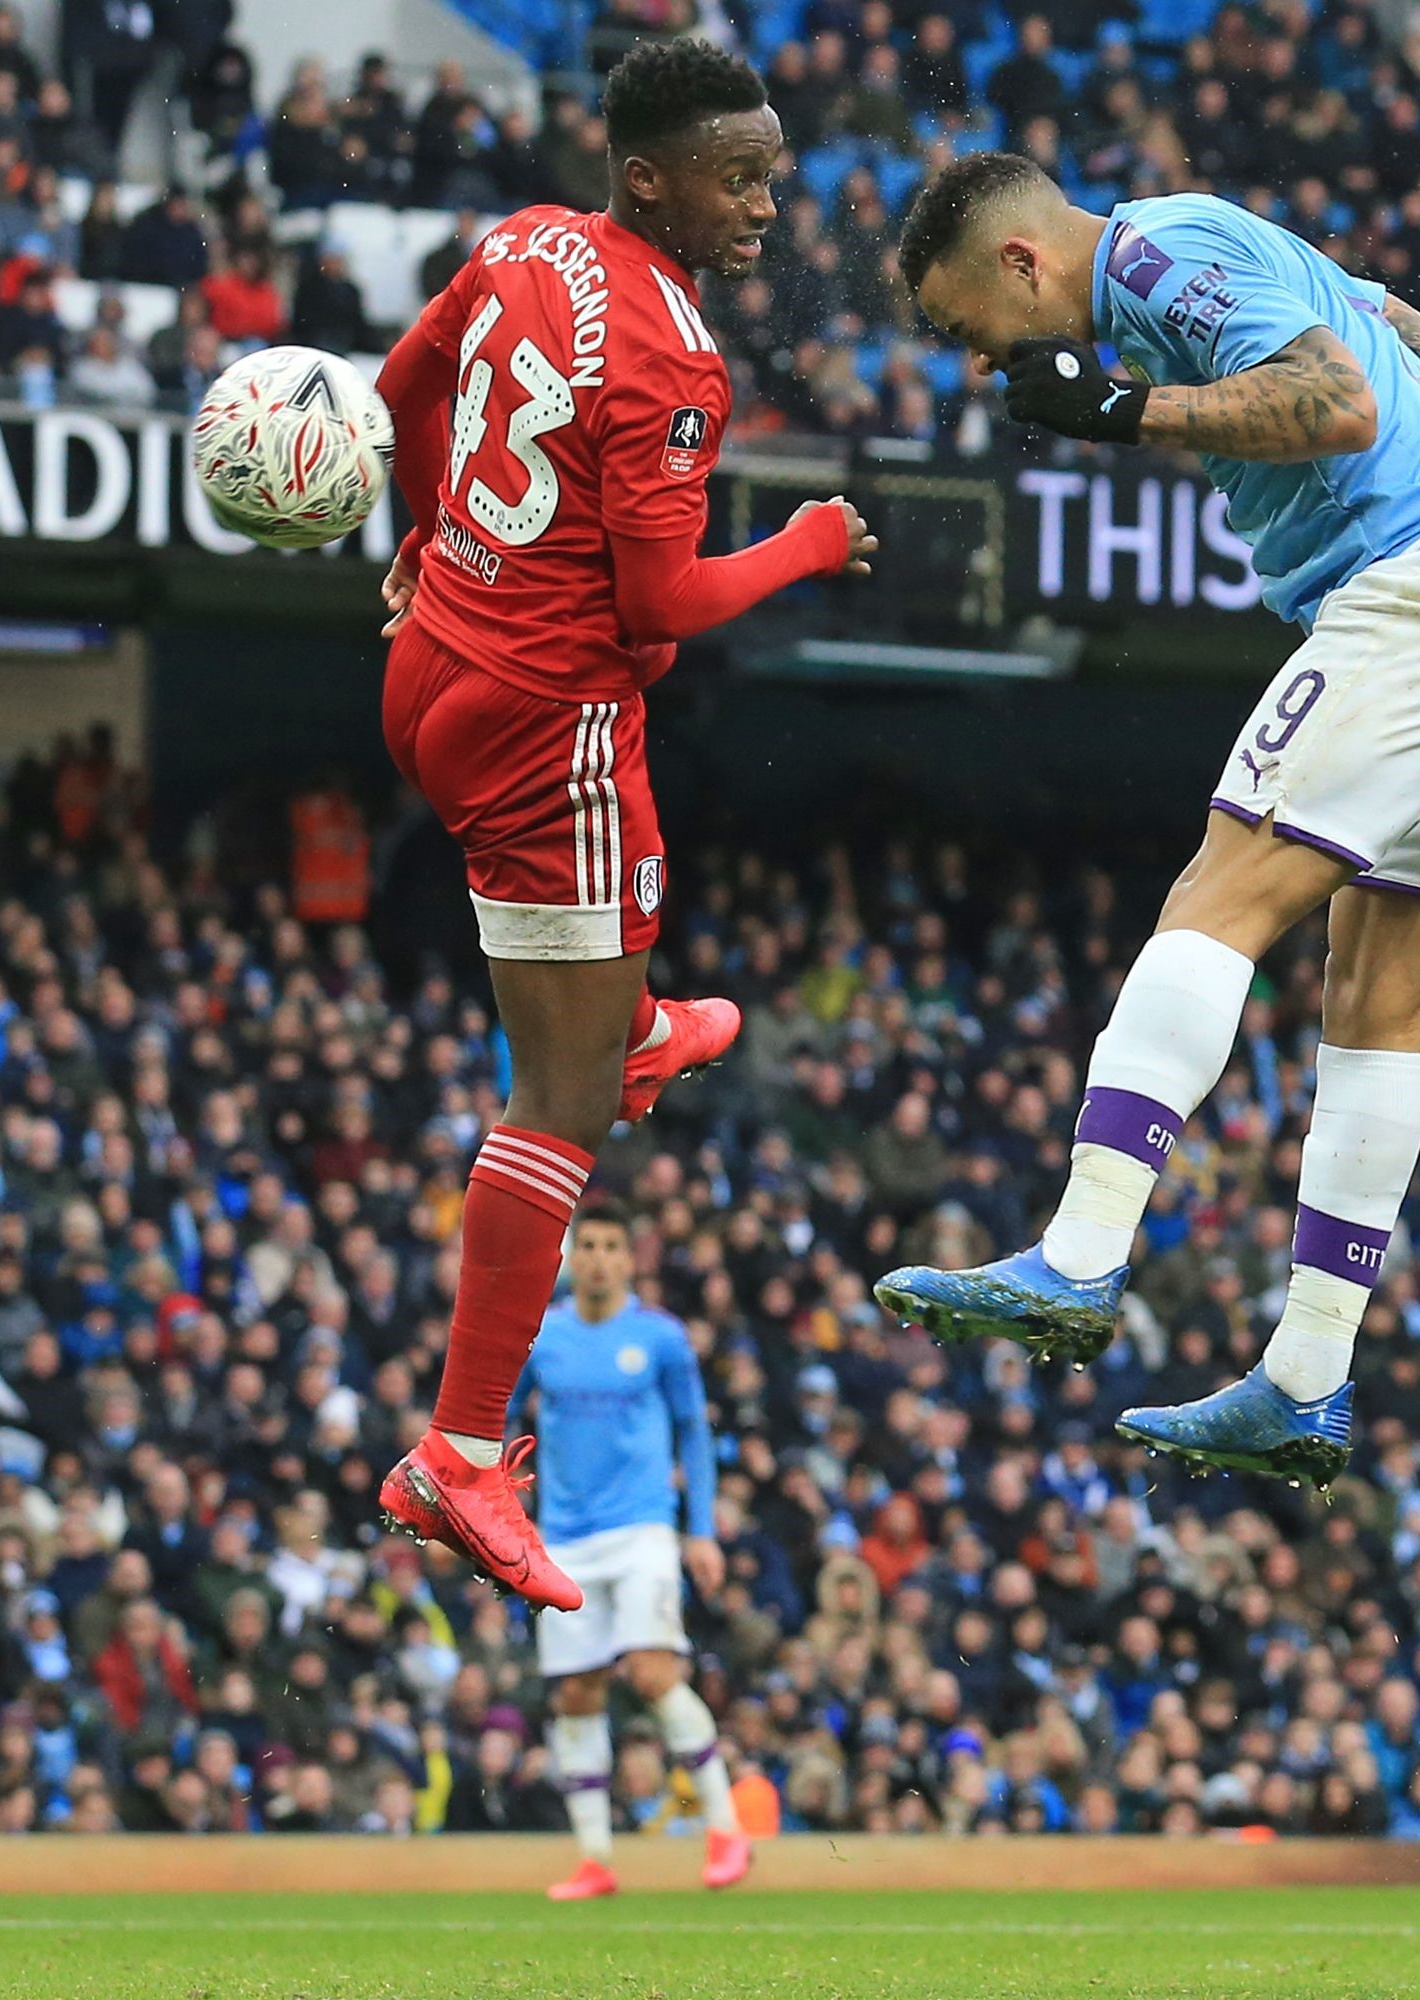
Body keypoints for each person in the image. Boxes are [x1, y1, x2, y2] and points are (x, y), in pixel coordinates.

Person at [876, 151, 1420, 1482]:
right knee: (1377, 994)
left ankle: (1084, 1250)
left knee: (1217, 900)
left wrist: (1122, 406)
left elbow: (1333, 403)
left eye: (965, 331)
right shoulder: (1231, 250)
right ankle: (1307, 1379)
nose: (980, 367)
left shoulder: (1150, 257)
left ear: (1022, 264)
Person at [367, 35, 872, 1608]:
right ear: (650, 175)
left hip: (438, 660)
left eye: (775, 176)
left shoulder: (518, 238)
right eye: (741, 178)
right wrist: (799, 542)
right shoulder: (671, 351)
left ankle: (643, 1025)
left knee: (612, 996)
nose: (767, 208)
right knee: (561, 1106)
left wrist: (423, 534)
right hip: (551, 726)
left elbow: (404, 386)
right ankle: (456, 1454)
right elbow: (663, 599)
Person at [506, 1205, 747, 1900]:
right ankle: (595, 1860)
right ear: (571, 1257)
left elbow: (693, 1436)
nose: (601, 1259)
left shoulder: (661, 1339)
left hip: (643, 1527)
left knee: (650, 1672)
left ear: (629, 1258)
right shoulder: (540, 1335)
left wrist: (698, 1529)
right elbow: (498, 1419)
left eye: (613, 1245)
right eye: (590, 1247)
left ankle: (726, 1830)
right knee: (578, 1691)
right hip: (564, 1536)